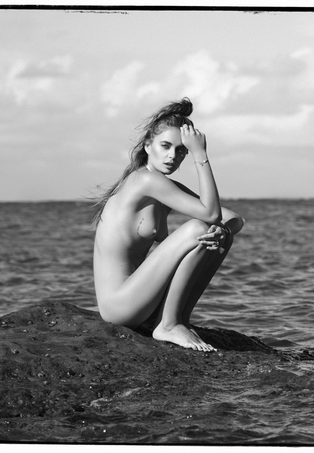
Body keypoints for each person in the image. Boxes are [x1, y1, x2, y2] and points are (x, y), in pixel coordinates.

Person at [92, 98, 244, 352]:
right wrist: (200, 154)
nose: (173, 156)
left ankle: (178, 319)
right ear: (147, 146)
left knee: (219, 234)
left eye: (182, 150)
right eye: (165, 146)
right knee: (199, 229)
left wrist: (221, 231)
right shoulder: (145, 180)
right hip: (119, 306)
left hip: (142, 300)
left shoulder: (162, 184)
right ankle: (169, 324)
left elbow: (233, 219)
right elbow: (211, 212)